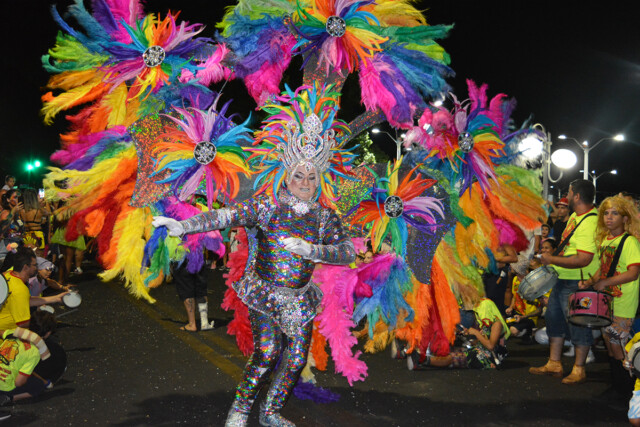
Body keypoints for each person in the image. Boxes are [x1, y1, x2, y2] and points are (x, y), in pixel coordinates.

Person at [153, 98, 356, 426]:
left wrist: (312, 250)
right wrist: (183, 226)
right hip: (264, 292)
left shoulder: (324, 217)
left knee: (295, 360)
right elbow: (225, 214)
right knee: (266, 353)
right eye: (299, 175)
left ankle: (271, 411)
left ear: (319, 180)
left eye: (311, 177)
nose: (305, 183)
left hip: (300, 297)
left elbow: (347, 251)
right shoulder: (267, 206)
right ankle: (241, 409)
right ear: (287, 176)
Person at [531, 179, 599, 384]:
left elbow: (583, 259)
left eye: (569, 193)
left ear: (577, 196)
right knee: (554, 321)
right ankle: (554, 362)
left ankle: (579, 368)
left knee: (578, 325)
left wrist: (551, 259)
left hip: (578, 283)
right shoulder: (575, 218)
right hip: (562, 278)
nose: (567, 196)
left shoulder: (590, 222)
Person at [579, 195, 640, 398]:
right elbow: (604, 269)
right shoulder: (606, 240)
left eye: (615, 213)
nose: (609, 217)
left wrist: (604, 283)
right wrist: (590, 282)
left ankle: (628, 390)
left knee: (618, 346)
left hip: (623, 301)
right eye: (606, 213)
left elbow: (633, 272)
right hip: (608, 302)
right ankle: (618, 385)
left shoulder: (629, 241)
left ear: (625, 218)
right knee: (610, 344)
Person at [408, 292, 509, 370]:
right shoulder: (483, 325)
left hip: (488, 357)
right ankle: (421, 358)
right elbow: (479, 342)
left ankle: (422, 360)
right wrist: (467, 336)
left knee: (455, 357)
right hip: (479, 350)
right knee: (451, 352)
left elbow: (491, 346)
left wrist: (476, 333)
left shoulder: (497, 325)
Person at [172, 262, 215, 332]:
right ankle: (205, 323)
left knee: (186, 288)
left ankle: (192, 324)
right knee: (201, 287)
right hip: (198, 256)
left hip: (182, 257)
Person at [19, 189, 50, 257]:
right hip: (37, 235)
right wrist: (46, 201)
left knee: (27, 257)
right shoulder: (39, 210)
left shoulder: (21, 210)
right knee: (39, 256)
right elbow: (48, 212)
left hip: (26, 235)